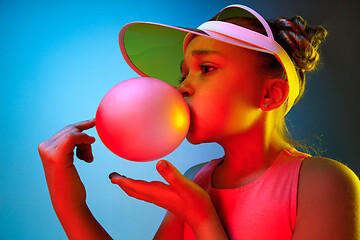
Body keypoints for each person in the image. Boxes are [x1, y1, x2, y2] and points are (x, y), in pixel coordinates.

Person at [38, 4, 359, 240]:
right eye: (183, 74)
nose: (180, 87)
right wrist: (69, 200)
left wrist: (202, 218)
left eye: (206, 68)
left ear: (271, 94)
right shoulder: (195, 180)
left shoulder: (323, 184)